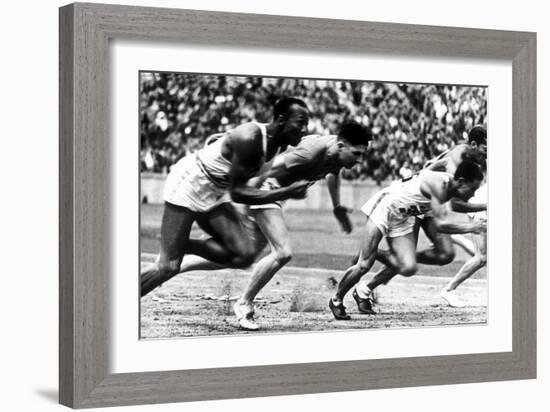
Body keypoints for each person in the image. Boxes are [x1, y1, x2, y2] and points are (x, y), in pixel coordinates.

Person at [140, 97, 311, 297]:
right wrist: (287, 192)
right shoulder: (252, 138)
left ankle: (181, 244)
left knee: (244, 255)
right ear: (282, 120)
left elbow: (243, 181)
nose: (305, 129)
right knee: (168, 266)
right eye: (300, 123)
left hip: (214, 191)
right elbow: (238, 193)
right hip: (190, 183)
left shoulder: (279, 146)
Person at [232, 121, 372, 330]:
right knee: (282, 252)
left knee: (244, 254)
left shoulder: (336, 154)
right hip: (266, 188)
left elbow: (333, 173)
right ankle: (244, 304)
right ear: (341, 145)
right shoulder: (311, 152)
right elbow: (269, 167)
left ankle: (175, 262)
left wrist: (336, 206)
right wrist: (245, 196)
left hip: (276, 194)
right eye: (357, 153)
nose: (359, 160)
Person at [329, 161, 486, 320]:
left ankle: (372, 252)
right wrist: (472, 227)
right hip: (385, 207)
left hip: (402, 217)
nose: (473, 194)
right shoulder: (439, 186)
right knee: (363, 266)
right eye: (472, 188)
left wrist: (486, 206)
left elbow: (456, 204)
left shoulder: (451, 186)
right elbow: (439, 225)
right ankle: (336, 300)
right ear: (460, 182)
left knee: (408, 268)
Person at [360, 126, 488, 309]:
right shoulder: (458, 160)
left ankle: (378, 266)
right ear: (474, 145)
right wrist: (486, 206)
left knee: (445, 254)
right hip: (416, 202)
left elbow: (432, 165)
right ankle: (366, 285)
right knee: (408, 261)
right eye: (486, 148)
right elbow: (453, 204)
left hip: (427, 201)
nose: (487, 154)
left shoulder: (466, 157)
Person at [440, 183, 487, 307]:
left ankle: (457, 238)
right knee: (482, 258)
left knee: (484, 257)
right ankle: (449, 290)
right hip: (483, 210)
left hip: (482, 206)